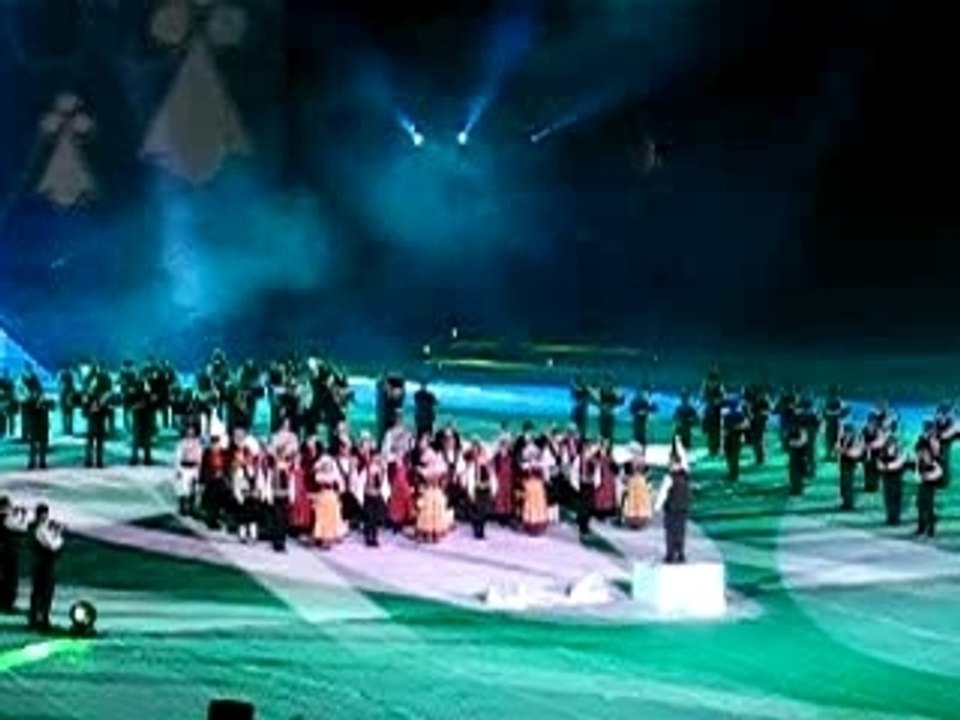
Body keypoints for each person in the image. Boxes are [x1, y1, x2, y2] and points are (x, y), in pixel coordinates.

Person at [28, 504, 64, 632]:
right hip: (44, 565)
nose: (45, 517)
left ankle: (39, 619)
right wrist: (57, 534)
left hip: (43, 565)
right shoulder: (40, 529)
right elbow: (52, 546)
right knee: (43, 593)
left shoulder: (41, 528)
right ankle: (39, 620)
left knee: (41, 593)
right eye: (43, 515)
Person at [655, 437, 690, 564]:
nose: (671, 466)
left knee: (678, 531)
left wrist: (679, 444)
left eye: (673, 464)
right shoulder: (675, 476)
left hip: (679, 508)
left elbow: (685, 459)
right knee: (673, 531)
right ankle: (673, 553)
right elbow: (663, 493)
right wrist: (658, 506)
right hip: (674, 508)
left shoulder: (680, 475)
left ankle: (678, 553)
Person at [1, 497, 27, 613]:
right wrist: (22, 516)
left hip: (4, 551)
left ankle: (4, 603)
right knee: (10, 579)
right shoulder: (6, 518)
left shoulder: (6, 517)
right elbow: (22, 528)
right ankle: (8, 604)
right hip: (9, 552)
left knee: (4, 578)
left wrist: (16, 515)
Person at [175, 425, 203, 516]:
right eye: (189, 432)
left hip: (194, 468)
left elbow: (200, 457)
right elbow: (178, 457)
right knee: (183, 489)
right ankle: (182, 507)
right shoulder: (182, 443)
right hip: (184, 468)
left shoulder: (198, 444)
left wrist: (199, 470)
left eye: (192, 432)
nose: (190, 434)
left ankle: (191, 508)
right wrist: (178, 469)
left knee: (193, 489)